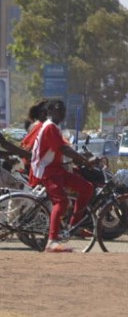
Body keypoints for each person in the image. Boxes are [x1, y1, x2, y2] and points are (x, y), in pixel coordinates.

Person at [29, 98, 96, 253]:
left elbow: (67, 148)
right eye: (58, 109)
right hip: (46, 170)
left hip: (56, 169)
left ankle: (74, 227)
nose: (61, 112)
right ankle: (51, 242)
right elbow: (64, 150)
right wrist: (85, 162)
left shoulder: (56, 128)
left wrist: (85, 157)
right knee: (62, 202)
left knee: (86, 188)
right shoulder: (50, 127)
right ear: (49, 111)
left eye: (63, 110)